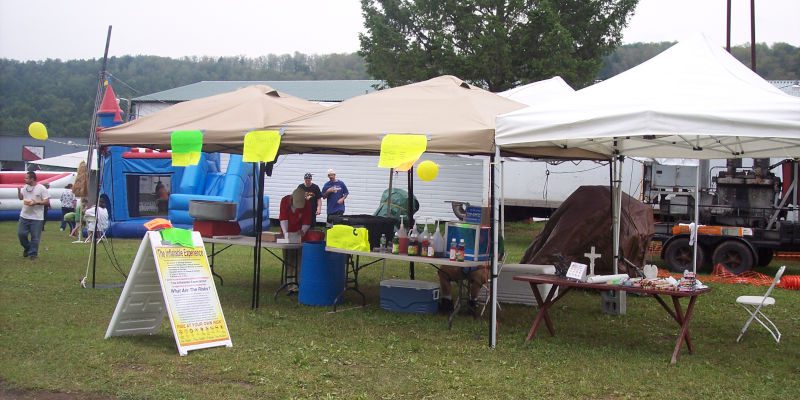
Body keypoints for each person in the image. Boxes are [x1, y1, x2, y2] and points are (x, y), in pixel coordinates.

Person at [279, 187, 313, 294]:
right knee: (289, 259)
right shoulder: (285, 201)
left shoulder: (307, 204)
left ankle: (299, 284)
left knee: (300, 259)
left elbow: (307, 221)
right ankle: (289, 284)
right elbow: (283, 218)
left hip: (299, 234)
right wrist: (285, 234)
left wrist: (303, 231)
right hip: (287, 233)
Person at [17, 171, 50, 260]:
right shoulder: (25, 187)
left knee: (35, 237)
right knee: (21, 234)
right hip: (24, 215)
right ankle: (28, 248)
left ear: (32, 179)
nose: (25, 179)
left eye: (26, 178)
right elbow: (21, 198)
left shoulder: (41, 188)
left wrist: (36, 203)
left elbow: (47, 202)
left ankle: (33, 254)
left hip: (37, 217)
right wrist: (19, 191)